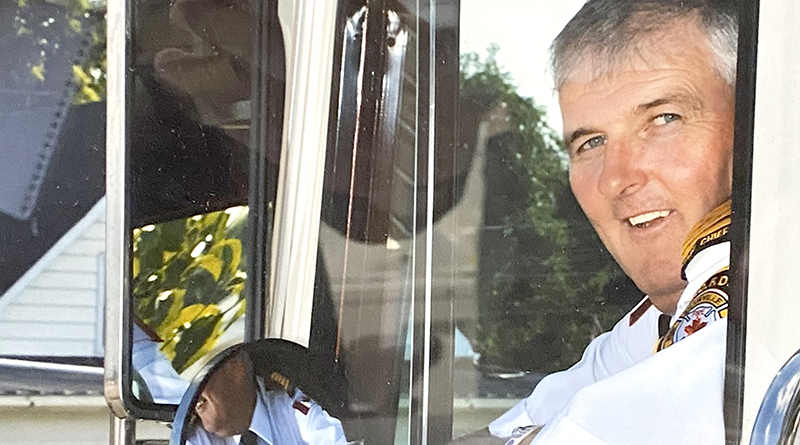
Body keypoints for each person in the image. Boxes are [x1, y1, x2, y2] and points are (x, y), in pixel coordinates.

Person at [456, 0, 737, 443]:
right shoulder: (669, 312)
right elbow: (503, 431)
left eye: (664, 119)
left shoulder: (753, 310)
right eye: (591, 142)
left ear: (755, 125)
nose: (616, 179)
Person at [187, 349, 349, 445]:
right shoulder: (196, 438)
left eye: (202, 377)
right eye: (187, 384)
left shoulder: (294, 409)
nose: (193, 394)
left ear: (236, 367)